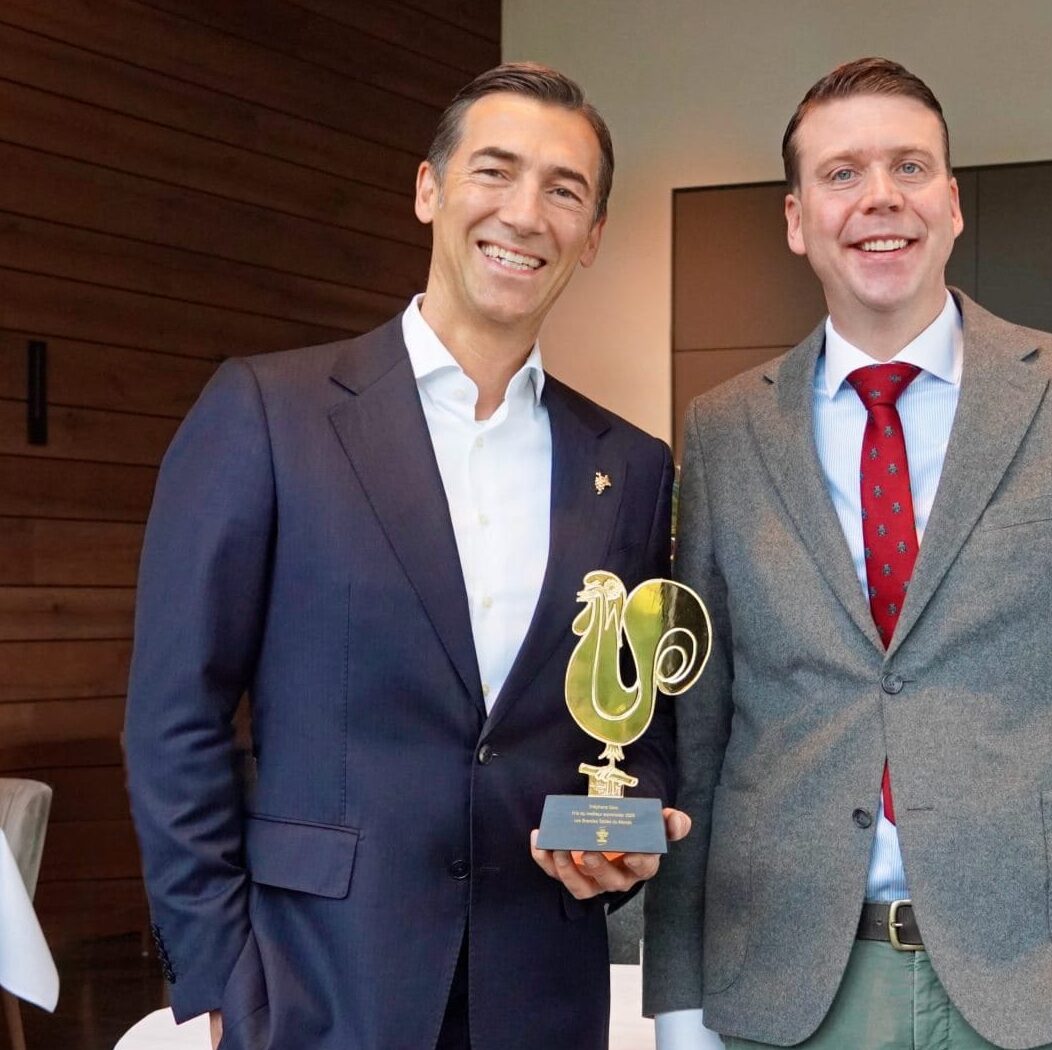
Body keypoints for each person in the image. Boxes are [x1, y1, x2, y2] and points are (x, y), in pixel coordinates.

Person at [644, 58, 1052, 1050]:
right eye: (841, 174)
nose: (879, 196)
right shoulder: (719, 434)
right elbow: (697, 743)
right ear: (795, 220)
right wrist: (679, 1008)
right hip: (786, 1001)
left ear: (951, 204)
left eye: (908, 167)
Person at [125, 63, 686, 1050]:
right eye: (494, 172)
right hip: (317, 981)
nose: (524, 213)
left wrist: (628, 827)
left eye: (564, 191)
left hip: (540, 989)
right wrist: (214, 975)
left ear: (591, 235)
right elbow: (176, 717)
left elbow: (631, 724)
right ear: (428, 190)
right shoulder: (268, 413)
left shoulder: (629, 467)